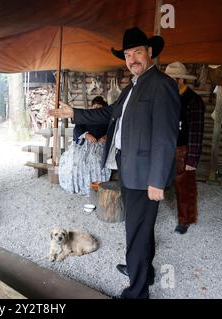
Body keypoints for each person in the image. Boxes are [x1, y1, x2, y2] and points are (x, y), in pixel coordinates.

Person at [49, 27, 181, 299]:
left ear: (150, 52)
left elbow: (166, 136)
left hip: (146, 176)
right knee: (140, 228)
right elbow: (108, 113)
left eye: (137, 52)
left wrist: (157, 180)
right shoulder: (132, 86)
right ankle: (143, 271)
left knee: (136, 231)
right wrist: (74, 112)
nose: (132, 59)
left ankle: (136, 292)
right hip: (130, 169)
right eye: (127, 54)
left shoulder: (161, 84)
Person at [165, 62, 205, 234]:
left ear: (181, 80)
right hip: (163, 147)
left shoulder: (193, 101)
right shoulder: (165, 97)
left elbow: (196, 131)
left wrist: (192, 158)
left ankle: (185, 219)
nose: (169, 82)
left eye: (172, 79)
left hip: (182, 150)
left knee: (185, 186)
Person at [59, 96, 111, 195]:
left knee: (96, 159)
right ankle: (78, 185)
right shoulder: (87, 116)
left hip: (99, 144)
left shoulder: (106, 118)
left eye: (99, 107)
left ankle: (95, 187)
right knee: (76, 160)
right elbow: (78, 129)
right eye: (94, 106)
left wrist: (105, 136)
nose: (96, 108)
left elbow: (112, 130)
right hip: (83, 144)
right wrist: (86, 135)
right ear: (91, 107)